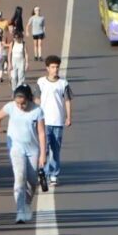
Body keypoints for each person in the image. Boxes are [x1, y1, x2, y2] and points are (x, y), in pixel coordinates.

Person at [0, 84, 46, 224]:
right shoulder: (10, 107)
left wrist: (43, 154)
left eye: (23, 103)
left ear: (29, 99)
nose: (20, 106)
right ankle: (20, 211)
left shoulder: (37, 111)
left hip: (33, 150)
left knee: (32, 181)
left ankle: (27, 203)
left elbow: (41, 133)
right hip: (16, 148)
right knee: (20, 177)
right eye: (18, 103)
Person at [36, 56, 73, 185]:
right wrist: (35, 117)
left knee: (55, 150)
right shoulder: (41, 82)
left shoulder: (63, 83)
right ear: (47, 68)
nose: (55, 69)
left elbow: (67, 100)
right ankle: (43, 173)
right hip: (44, 122)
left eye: (57, 67)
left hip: (57, 121)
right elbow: (37, 99)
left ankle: (54, 174)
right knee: (44, 149)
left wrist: (68, 117)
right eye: (52, 67)